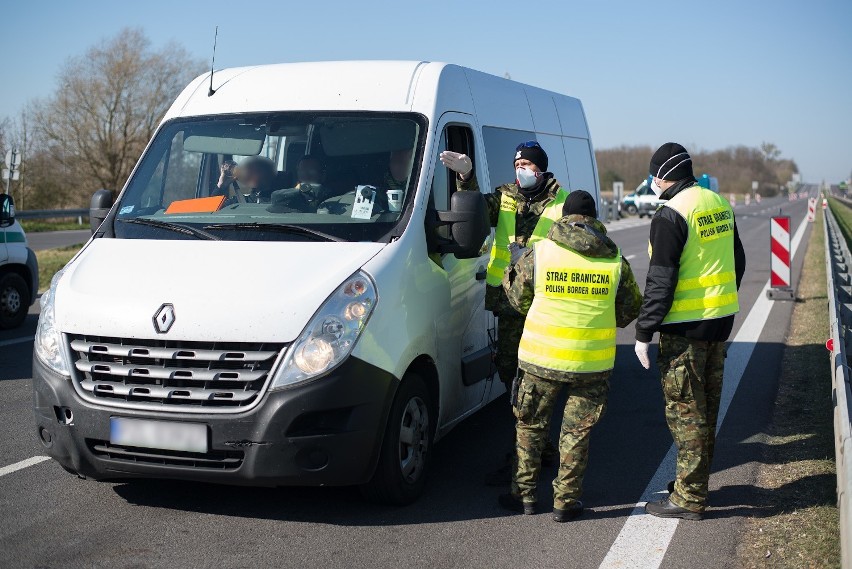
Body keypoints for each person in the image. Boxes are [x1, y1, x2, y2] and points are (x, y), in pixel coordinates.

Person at [496, 190, 641, 520]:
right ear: (594, 219)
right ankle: (565, 502)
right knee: (576, 435)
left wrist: (514, 265)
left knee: (531, 427)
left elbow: (518, 301)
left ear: (565, 217)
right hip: (592, 363)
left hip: (540, 359)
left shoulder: (540, 253)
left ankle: (525, 496)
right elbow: (631, 308)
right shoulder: (615, 260)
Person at [441, 141, 568, 482]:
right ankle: (538, 449)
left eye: (527, 164)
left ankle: (525, 458)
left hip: (546, 305)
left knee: (538, 381)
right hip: (510, 304)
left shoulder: (562, 202)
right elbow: (476, 211)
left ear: (541, 167)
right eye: (517, 164)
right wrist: (466, 176)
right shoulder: (507, 196)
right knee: (512, 378)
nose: (520, 170)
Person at [634, 142, 746, 520]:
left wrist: (644, 332)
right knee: (706, 410)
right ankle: (691, 483)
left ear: (664, 176)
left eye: (654, 175)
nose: (653, 182)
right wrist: (720, 299)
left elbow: (660, 281)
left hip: (685, 330)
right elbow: (739, 261)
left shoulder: (671, 213)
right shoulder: (716, 202)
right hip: (719, 322)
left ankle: (689, 499)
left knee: (686, 413)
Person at [319, 148, 412, 216]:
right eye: (394, 161)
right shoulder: (375, 185)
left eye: (403, 161)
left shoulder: (419, 185)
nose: (397, 165)